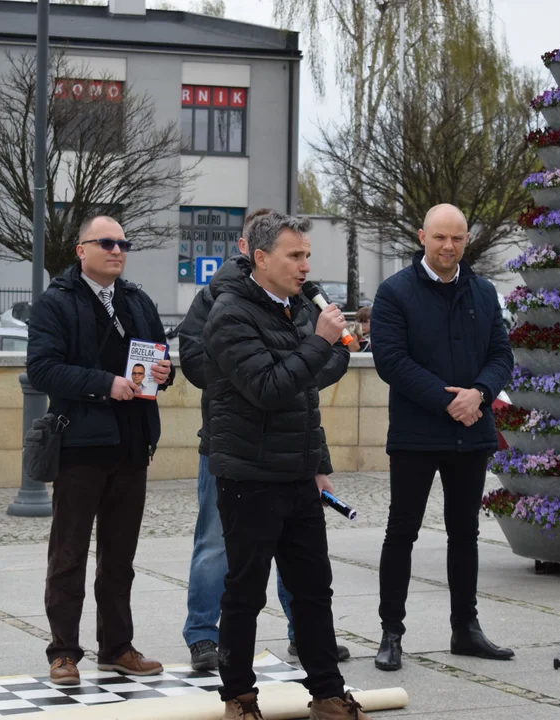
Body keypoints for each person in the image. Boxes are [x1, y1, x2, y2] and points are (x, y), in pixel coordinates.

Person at [202, 211, 371, 720]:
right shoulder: (229, 314)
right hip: (249, 478)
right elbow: (271, 389)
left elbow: (304, 398)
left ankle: (327, 693)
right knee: (245, 593)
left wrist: (318, 464)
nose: (304, 266)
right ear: (260, 258)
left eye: (307, 256)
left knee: (313, 589)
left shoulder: (297, 308)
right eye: (294, 256)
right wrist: (320, 341)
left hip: (298, 476)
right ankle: (238, 696)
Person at [26, 216, 175, 685]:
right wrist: (105, 384)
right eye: (106, 243)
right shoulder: (56, 303)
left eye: (123, 243)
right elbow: (44, 370)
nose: (117, 250)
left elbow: (157, 355)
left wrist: (164, 373)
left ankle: (117, 647)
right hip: (80, 446)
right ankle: (64, 652)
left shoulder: (138, 300)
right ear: (81, 250)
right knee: (68, 554)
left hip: (131, 445)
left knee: (120, 558)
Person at [370, 203, 515, 672]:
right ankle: (391, 633)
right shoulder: (395, 293)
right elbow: (391, 360)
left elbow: (501, 354)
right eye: (439, 238)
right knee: (402, 532)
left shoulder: (484, 291)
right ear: (421, 237)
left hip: (472, 434)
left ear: (465, 241)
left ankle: (465, 629)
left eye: (456, 238)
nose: (448, 246)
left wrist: (481, 393)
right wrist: (447, 400)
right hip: (416, 434)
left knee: (464, 535)